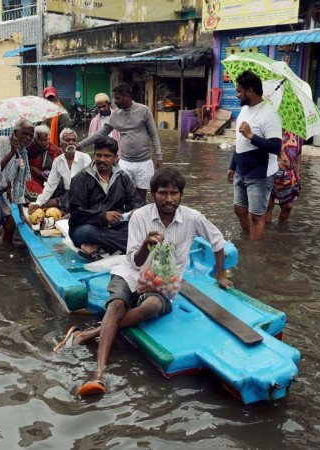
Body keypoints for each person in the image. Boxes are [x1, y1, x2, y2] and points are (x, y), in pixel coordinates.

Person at [54, 167, 233, 395]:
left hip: (164, 282)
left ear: (181, 195)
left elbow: (218, 243)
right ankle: (99, 373)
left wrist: (220, 276)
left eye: (174, 193)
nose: (169, 199)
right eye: (163, 193)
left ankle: (87, 334)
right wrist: (147, 245)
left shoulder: (192, 218)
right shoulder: (140, 216)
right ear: (153, 194)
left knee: (151, 306)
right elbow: (135, 262)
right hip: (132, 272)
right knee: (116, 305)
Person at [77, 82, 162, 202]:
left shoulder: (144, 111)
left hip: (144, 162)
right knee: (122, 194)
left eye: (117, 98)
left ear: (127, 96)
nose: (115, 101)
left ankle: (139, 217)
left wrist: (159, 156)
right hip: (125, 161)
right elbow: (101, 133)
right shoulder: (116, 115)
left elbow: (154, 134)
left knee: (141, 196)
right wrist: (80, 144)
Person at [226, 70, 282, 240]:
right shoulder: (244, 110)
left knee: (257, 216)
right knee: (239, 209)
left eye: (238, 91)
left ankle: (254, 253)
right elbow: (239, 142)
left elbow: (276, 147)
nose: (236, 95)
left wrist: (251, 135)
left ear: (250, 91)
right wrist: (232, 166)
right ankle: (247, 240)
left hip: (259, 174)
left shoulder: (270, 115)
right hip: (241, 170)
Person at [67, 136, 143, 259]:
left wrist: (135, 211)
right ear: (94, 156)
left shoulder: (122, 177)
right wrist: (103, 216)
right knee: (87, 232)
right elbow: (76, 212)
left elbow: (136, 201)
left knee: (137, 226)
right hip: (86, 228)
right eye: (99, 155)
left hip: (115, 227)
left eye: (107, 156)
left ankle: (98, 246)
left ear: (115, 158)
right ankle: (132, 246)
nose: (102, 159)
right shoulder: (81, 178)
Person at [29, 128, 92, 212]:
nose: (71, 142)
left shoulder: (85, 158)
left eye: (73, 140)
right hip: (66, 195)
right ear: (61, 143)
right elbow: (50, 185)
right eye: (67, 140)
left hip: (83, 195)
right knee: (42, 205)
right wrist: (39, 202)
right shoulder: (57, 161)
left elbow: (90, 184)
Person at [266, 130, 302, 223]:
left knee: (287, 207)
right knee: (268, 205)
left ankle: (281, 231)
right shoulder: (272, 129)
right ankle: (266, 231)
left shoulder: (297, 134)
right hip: (269, 171)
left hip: (288, 175)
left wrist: (298, 169)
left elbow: (299, 152)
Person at [24, 124, 64, 202]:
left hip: (47, 176)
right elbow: (22, 163)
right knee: (38, 195)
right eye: (40, 140)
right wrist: (35, 170)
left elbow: (60, 160)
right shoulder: (28, 148)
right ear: (34, 139)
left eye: (45, 140)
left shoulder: (52, 148)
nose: (42, 143)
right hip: (31, 175)